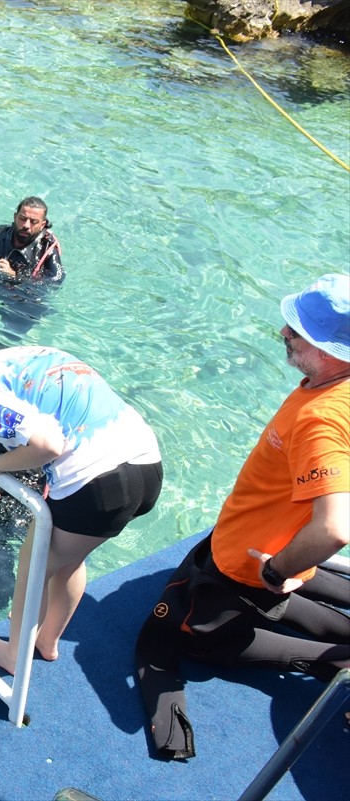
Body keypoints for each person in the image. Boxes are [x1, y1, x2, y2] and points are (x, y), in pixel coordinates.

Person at [135, 274, 350, 759]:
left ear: (333, 349)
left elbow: (337, 526)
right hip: (267, 540)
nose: (283, 334)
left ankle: (340, 664)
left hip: (250, 564)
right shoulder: (334, 388)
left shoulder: (323, 417)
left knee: (194, 640)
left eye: (298, 331)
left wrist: (277, 568)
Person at [0, 303, 163, 675]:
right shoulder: (17, 359)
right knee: (68, 560)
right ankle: (46, 640)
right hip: (145, 465)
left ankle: (14, 655)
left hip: (96, 483)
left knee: (34, 563)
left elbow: (46, 445)